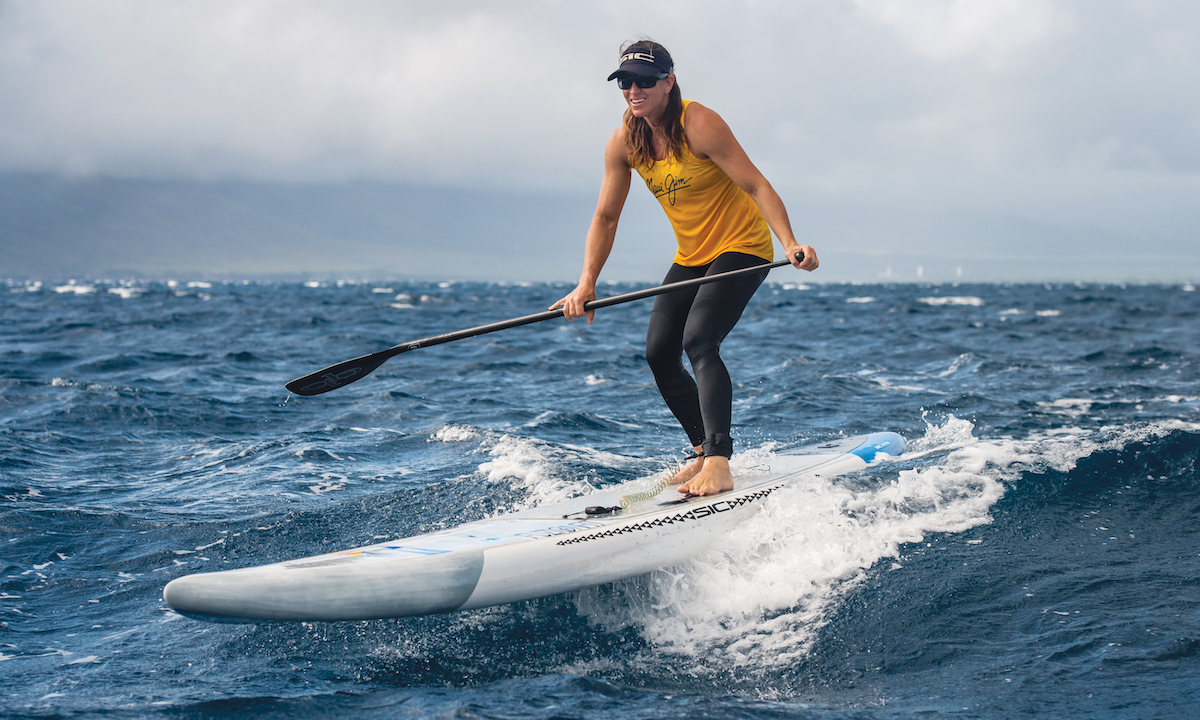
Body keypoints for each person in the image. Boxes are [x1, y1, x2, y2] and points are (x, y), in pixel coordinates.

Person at [551, 40, 819, 497]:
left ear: (668, 81)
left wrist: (790, 242)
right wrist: (586, 283)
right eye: (626, 82)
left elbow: (756, 183)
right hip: (692, 256)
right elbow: (606, 216)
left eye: (644, 81)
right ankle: (700, 451)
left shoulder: (699, 122)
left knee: (698, 339)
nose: (634, 90)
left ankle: (719, 460)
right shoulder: (625, 141)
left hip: (742, 247)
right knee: (659, 351)